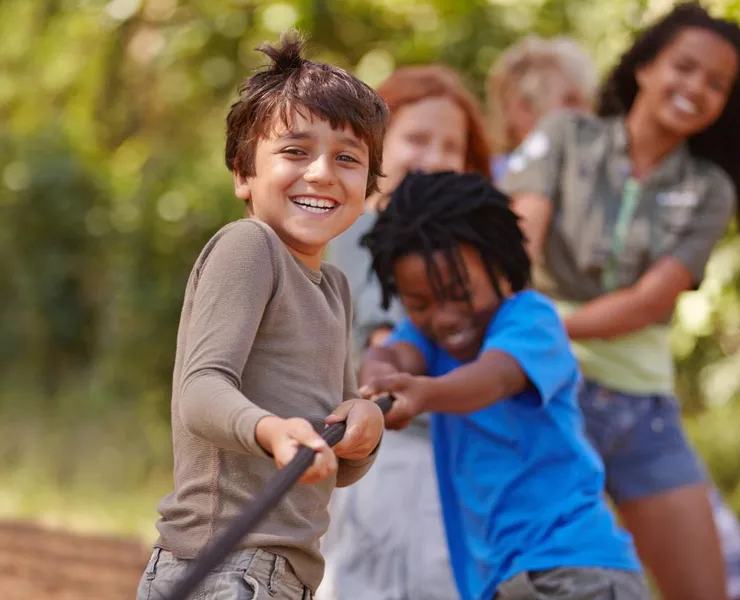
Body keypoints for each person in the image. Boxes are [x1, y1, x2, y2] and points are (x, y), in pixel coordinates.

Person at [499, 4, 740, 600]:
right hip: (550, 393)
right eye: (684, 67)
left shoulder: (709, 188)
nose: (695, 88)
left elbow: (650, 303)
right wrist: (532, 341)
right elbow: (517, 246)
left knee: (707, 590)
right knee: (546, 584)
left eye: (716, 83)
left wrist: (547, 322)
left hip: (642, 410)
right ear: (646, 67)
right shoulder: (564, 136)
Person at [136, 32, 389, 600]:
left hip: (279, 573)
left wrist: (362, 431)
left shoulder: (333, 287)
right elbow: (199, 391)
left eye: (347, 158)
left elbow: (329, 459)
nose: (323, 173)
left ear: (367, 187)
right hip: (225, 564)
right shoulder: (250, 246)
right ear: (243, 174)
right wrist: (270, 430)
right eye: (295, 151)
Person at [358, 170, 649, 600]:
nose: (444, 317)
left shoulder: (531, 320)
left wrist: (424, 393)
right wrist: (377, 379)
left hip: (574, 571)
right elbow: (391, 355)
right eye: (419, 304)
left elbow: (493, 377)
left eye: (460, 293)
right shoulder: (427, 341)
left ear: (502, 267)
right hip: (498, 585)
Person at [322, 65, 492, 600]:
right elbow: (381, 340)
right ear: (377, 147)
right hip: (390, 453)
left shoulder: (470, 252)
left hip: (452, 453)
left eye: (452, 146)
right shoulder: (366, 229)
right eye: (417, 139)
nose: (435, 156)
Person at [487, 35, 597, 182]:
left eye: (587, 102)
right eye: (570, 101)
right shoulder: (490, 185)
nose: (587, 114)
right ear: (522, 109)